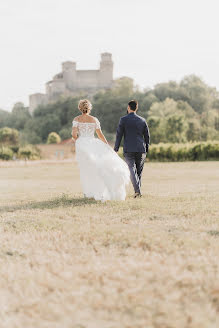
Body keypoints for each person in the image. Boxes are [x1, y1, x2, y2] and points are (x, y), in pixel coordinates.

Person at [72, 99, 130, 201]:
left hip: (82, 146)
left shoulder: (76, 119)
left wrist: (79, 141)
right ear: (89, 108)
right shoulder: (94, 119)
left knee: (85, 170)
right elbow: (100, 135)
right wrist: (107, 146)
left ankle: (88, 193)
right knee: (96, 168)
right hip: (93, 144)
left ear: (80, 108)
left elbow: (73, 134)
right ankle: (97, 191)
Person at [114, 100, 150, 198]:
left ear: (128, 107)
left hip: (129, 149)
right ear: (136, 108)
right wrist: (147, 149)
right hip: (141, 149)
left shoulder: (123, 119)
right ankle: (137, 192)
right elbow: (147, 136)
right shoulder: (142, 120)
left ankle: (137, 192)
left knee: (131, 170)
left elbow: (119, 135)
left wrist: (116, 149)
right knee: (138, 172)